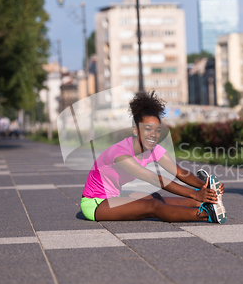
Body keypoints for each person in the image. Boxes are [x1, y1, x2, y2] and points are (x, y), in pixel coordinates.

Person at [81, 91, 227, 223]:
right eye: (147, 129)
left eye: (157, 130)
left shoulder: (154, 149)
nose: (153, 134)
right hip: (96, 203)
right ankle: (207, 214)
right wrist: (194, 193)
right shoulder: (120, 153)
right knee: (153, 206)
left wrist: (206, 187)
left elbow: (179, 172)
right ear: (135, 129)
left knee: (156, 197)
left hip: (115, 195)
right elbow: (154, 179)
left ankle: (205, 202)